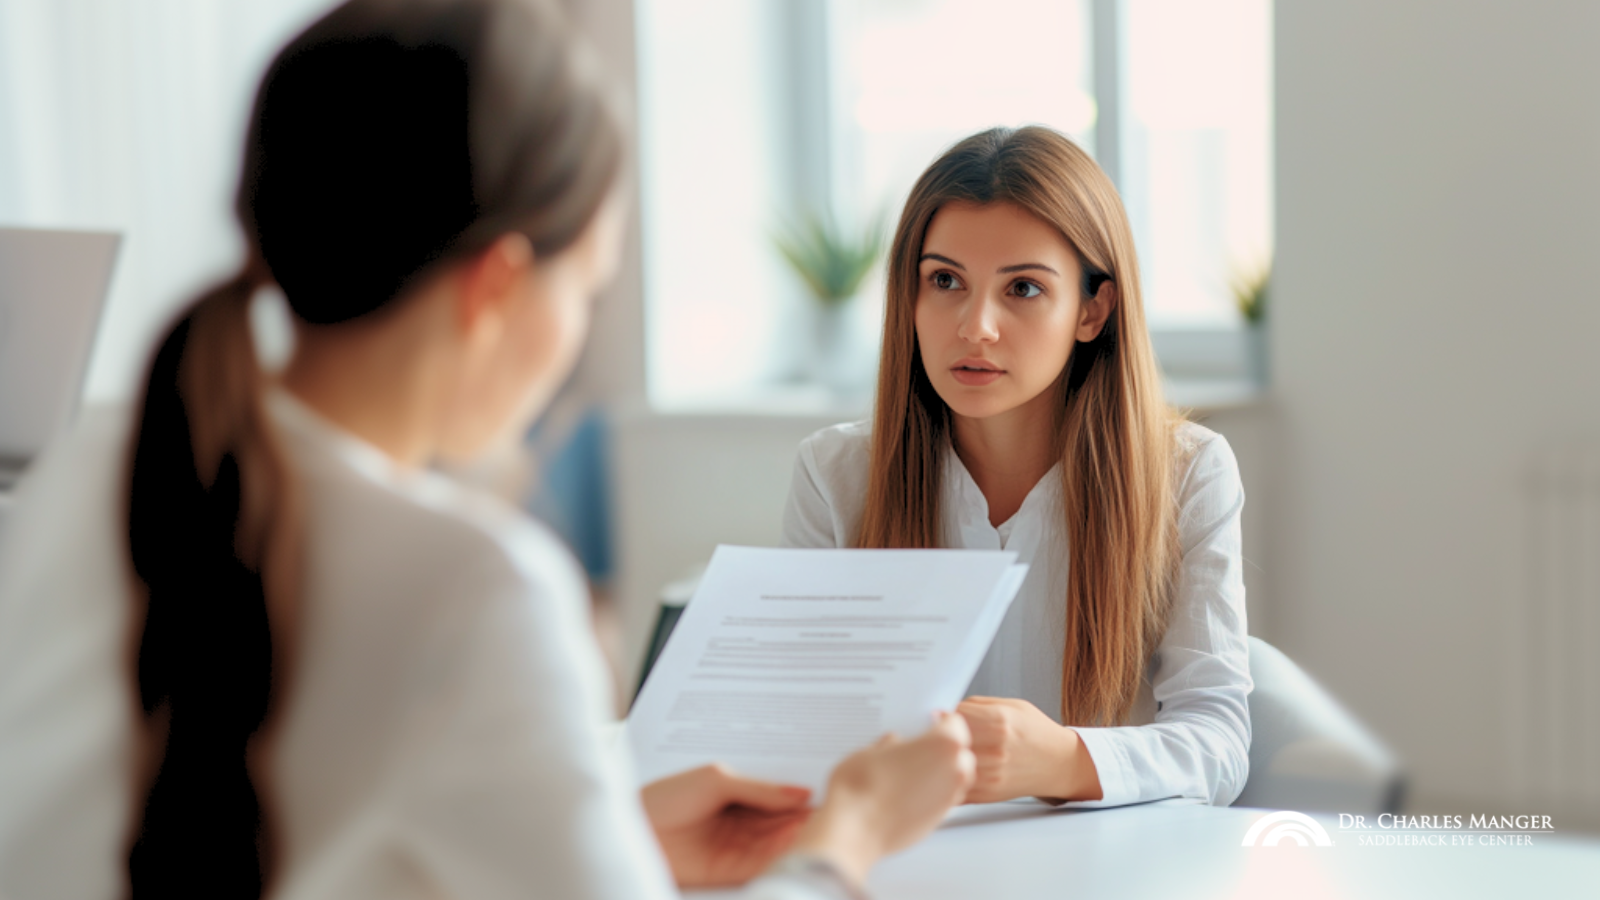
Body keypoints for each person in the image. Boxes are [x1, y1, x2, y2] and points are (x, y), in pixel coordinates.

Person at [0, 1, 974, 898]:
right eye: (585, 292)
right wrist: (843, 837)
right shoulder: (478, 588)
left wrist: (613, 835)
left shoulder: (82, 470)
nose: (577, 336)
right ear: (496, 287)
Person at [781, 126, 1251, 809]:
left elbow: (1219, 740)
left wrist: (1064, 761)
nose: (975, 326)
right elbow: (799, 726)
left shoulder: (1189, 474)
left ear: (1093, 309)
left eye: (1023, 289)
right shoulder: (833, 474)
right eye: (944, 281)